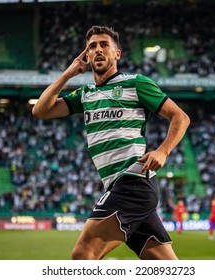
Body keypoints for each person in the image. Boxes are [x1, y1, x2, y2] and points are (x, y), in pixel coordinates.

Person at [32, 25, 190, 259]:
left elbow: (181, 117)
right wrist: (67, 74)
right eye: (92, 46)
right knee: (166, 266)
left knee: (83, 254)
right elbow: (40, 110)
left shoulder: (136, 83)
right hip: (122, 187)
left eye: (104, 45)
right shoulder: (85, 95)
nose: (98, 50)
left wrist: (163, 151)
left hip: (132, 182)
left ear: (117, 54)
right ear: (85, 55)